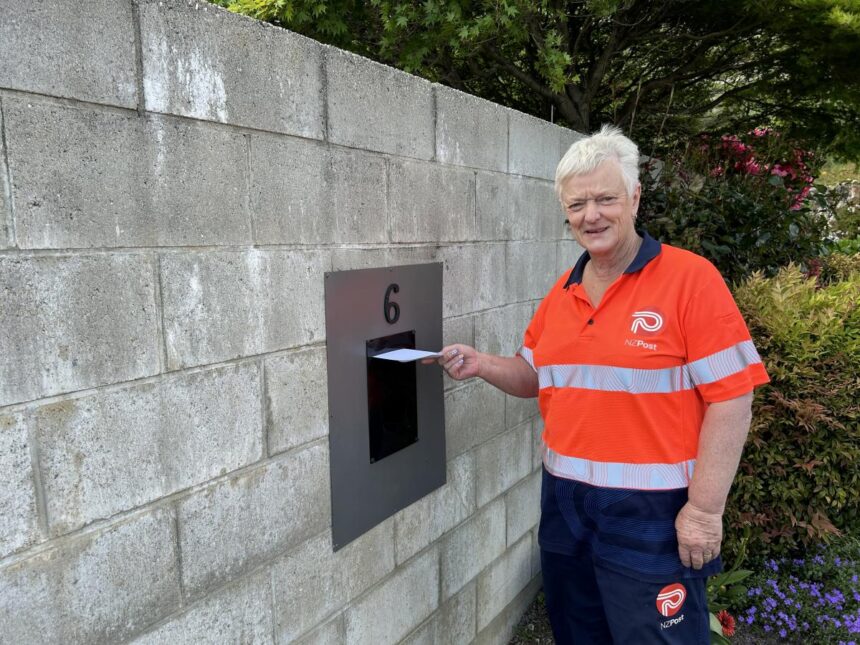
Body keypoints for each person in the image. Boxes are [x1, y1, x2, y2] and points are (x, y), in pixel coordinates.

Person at [427, 125, 770, 644]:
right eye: (577, 203)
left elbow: (732, 397)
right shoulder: (563, 292)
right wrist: (481, 364)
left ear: (634, 198)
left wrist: (703, 511)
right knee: (578, 632)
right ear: (565, 212)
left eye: (606, 198)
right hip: (565, 506)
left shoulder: (690, 280)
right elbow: (535, 374)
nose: (592, 215)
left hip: (654, 514)